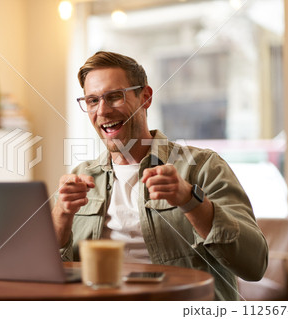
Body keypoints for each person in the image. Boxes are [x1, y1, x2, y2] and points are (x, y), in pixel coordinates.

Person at [51, 51, 268, 300]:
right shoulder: (81, 177)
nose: (103, 111)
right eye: (92, 100)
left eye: (114, 97)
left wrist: (190, 200)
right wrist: (61, 214)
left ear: (145, 97)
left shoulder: (204, 167)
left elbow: (254, 265)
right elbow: (43, 268)